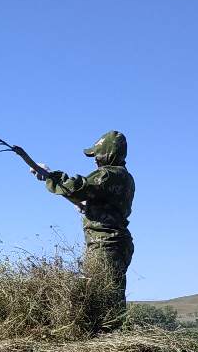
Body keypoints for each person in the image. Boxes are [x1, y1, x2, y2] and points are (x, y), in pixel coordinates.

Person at [35, 130, 135, 330]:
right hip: (118, 243)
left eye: (98, 154)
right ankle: (114, 337)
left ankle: (109, 342)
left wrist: (49, 175)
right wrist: (86, 207)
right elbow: (109, 205)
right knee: (112, 296)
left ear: (108, 154)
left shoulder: (107, 174)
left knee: (102, 298)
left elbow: (75, 187)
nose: (95, 160)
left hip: (104, 244)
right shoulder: (125, 177)